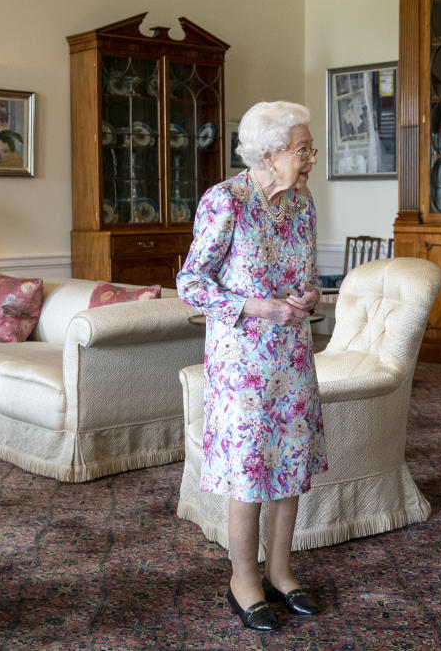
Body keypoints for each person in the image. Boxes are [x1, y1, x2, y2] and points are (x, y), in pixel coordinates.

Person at [177, 101, 325, 632]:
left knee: (289, 465)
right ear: (269, 152)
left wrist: (311, 296)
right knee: (251, 468)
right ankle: (244, 579)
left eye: (310, 148)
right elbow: (192, 283)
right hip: (243, 360)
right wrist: (263, 306)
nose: (311, 158)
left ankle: (282, 572)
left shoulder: (303, 203)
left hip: (291, 353)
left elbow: (308, 277)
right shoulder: (227, 201)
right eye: (303, 149)